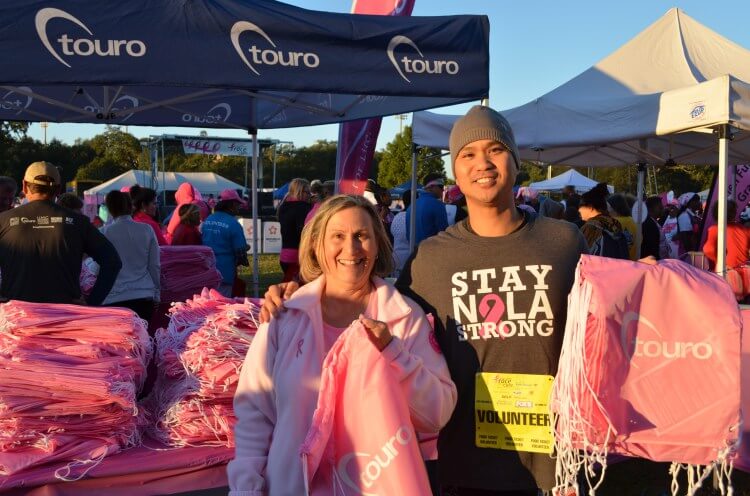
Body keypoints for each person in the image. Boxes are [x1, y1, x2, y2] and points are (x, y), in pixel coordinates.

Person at [260, 106, 589, 495]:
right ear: (455, 173)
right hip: (466, 463)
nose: (482, 163)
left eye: (495, 149)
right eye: (467, 154)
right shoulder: (433, 257)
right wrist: (301, 290)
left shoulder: (564, 242)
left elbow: (604, 319)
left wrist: (649, 278)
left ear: (516, 162)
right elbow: (370, 300)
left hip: (557, 461)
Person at [228, 194, 456, 495]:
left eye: (362, 236)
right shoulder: (284, 316)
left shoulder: (402, 317)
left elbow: (437, 413)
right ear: (316, 246)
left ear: (378, 245)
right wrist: (246, 489)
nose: (351, 248)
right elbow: (254, 415)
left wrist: (394, 352)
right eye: (337, 236)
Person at [0, 161, 121, 305]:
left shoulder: (3, 220)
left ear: (25, 186)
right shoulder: (79, 222)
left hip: (16, 317)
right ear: (58, 190)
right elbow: (112, 262)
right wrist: (92, 303)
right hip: (66, 316)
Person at [99, 191, 160, 321]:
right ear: (130, 206)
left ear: (109, 208)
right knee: (144, 338)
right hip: (143, 295)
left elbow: (98, 267)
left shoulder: (103, 233)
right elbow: (154, 265)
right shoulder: (147, 229)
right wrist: (157, 292)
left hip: (114, 297)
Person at [202, 189, 249, 297]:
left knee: (206, 303)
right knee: (221, 304)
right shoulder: (233, 223)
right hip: (225, 271)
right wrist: (244, 259)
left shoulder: (208, 219)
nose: (239, 207)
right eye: (238, 204)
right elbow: (240, 250)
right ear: (232, 204)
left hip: (207, 269)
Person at [579, 183, 629, 259]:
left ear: (590, 207)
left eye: (581, 207)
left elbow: (581, 256)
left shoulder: (590, 227)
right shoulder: (615, 224)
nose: (579, 210)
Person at [277, 178, 312, 282]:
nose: (309, 195)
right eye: (307, 192)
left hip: (284, 255)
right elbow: (302, 232)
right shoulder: (302, 207)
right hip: (298, 255)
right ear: (300, 191)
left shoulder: (283, 206)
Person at [703, 199, 750, 270]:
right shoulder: (744, 228)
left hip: (726, 270)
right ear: (734, 213)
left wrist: (719, 262)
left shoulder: (715, 228)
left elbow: (708, 250)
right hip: (745, 269)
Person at [405, 173, 449, 246]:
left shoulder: (411, 206)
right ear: (431, 187)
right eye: (441, 187)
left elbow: (408, 236)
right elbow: (444, 233)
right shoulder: (438, 205)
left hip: (415, 254)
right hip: (432, 251)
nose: (443, 190)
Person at [607, 193, 637, 260]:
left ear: (613, 208)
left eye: (608, 207)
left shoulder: (612, 223)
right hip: (634, 263)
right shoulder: (634, 221)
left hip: (619, 265)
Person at [391, 189, 412, 275]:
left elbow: (393, 233)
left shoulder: (397, 216)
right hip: (408, 259)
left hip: (396, 258)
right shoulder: (413, 217)